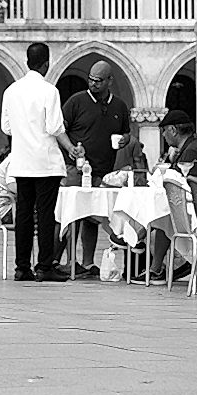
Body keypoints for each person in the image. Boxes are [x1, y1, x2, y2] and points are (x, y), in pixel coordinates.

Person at [1, 42, 82, 282]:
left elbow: (5, 126)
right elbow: (55, 127)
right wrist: (70, 148)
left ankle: (22, 267)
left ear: (27, 62)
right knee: (46, 215)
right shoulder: (49, 91)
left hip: (21, 161)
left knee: (24, 214)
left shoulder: (11, 91)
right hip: (45, 162)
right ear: (46, 63)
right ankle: (45, 266)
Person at [61, 60, 132, 278]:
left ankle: (88, 262)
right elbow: (59, 130)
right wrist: (71, 149)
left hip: (104, 172)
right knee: (74, 215)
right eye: (91, 80)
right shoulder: (76, 102)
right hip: (77, 169)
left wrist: (125, 140)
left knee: (93, 216)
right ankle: (70, 260)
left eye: (98, 81)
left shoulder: (119, 106)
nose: (93, 84)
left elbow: (127, 132)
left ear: (109, 81)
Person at [145, 108, 197, 282]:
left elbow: (186, 181)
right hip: (195, 206)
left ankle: (141, 247)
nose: (164, 135)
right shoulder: (189, 148)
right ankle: (155, 267)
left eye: (165, 131)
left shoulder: (192, 151)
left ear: (173, 130)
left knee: (163, 214)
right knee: (164, 215)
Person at [0, 148, 18, 225]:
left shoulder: (10, 160)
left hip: (0, 211)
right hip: (6, 212)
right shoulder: (14, 161)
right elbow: (12, 186)